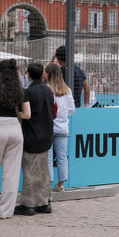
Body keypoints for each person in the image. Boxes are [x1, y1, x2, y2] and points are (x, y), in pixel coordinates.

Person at [0, 59, 30, 219]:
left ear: (0, 72)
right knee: (11, 173)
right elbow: (27, 115)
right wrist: (16, 114)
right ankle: (6, 211)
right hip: (15, 129)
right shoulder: (21, 90)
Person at [14, 62, 55, 216]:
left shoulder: (28, 92)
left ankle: (28, 203)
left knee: (30, 170)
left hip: (31, 134)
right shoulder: (48, 91)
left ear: (28, 74)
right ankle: (45, 202)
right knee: (43, 171)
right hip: (46, 134)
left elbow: (23, 113)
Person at [45, 63, 75, 193]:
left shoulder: (47, 89)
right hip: (63, 127)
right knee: (62, 156)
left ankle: (49, 183)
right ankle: (61, 184)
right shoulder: (67, 90)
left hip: (49, 126)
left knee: (48, 156)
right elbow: (72, 110)